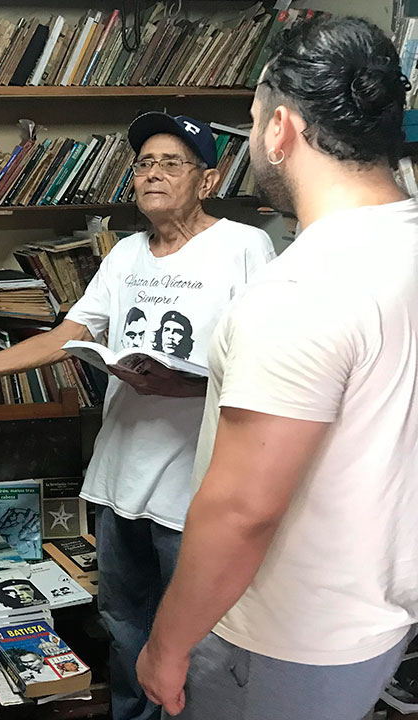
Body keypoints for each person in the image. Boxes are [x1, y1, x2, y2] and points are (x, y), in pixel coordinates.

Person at [0, 112, 276, 720]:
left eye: (172, 163)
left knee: (191, 639)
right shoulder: (126, 254)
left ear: (207, 180)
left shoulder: (245, 246)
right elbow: (71, 332)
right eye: (143, 164)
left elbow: (272, 356)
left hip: (198, 485)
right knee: (122, 622)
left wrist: (194, 386)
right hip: (121, 477)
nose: (153, 174)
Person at [137, 17, 418, 720]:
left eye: (255, 116)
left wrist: (166, 647)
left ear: (281, 129)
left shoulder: (298, 290)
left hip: (278, 639)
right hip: (378, 617)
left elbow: (242, 510)